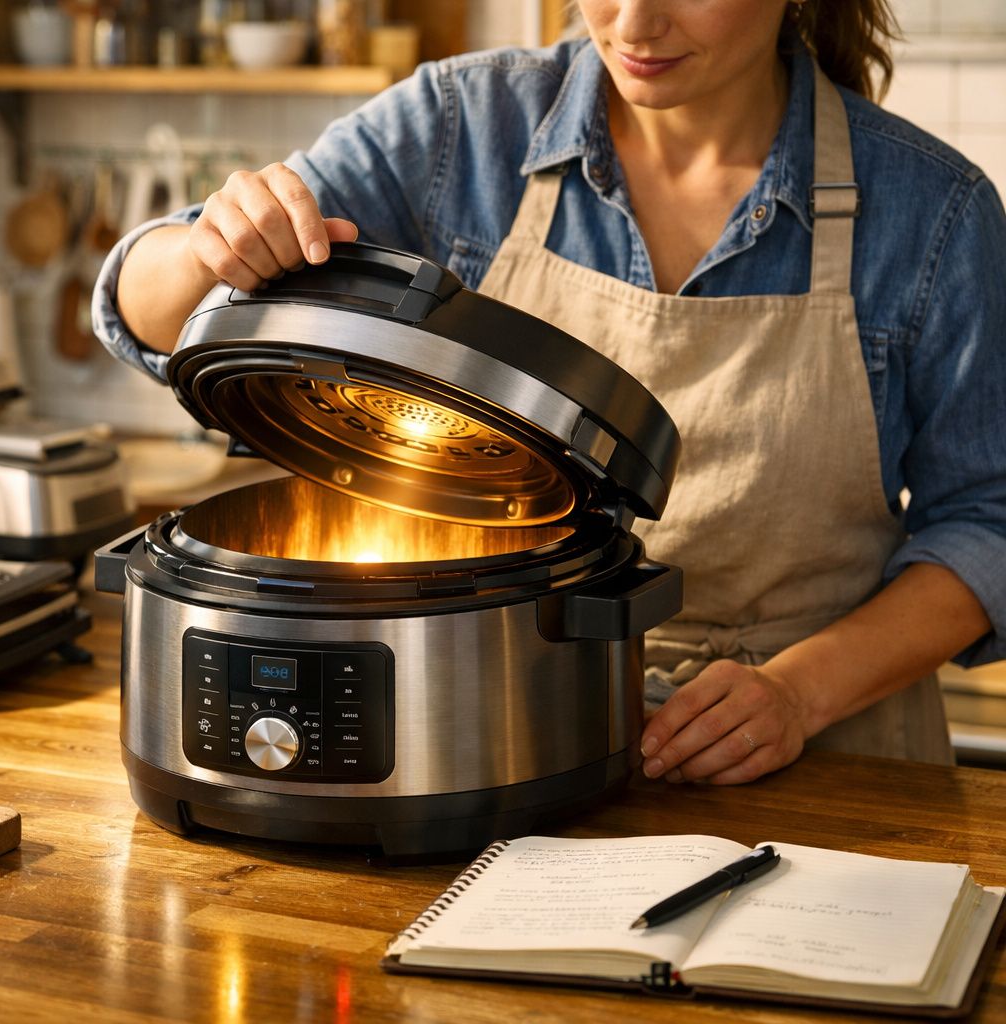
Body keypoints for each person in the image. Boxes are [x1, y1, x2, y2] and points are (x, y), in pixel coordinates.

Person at [92, 0, 1006, 785]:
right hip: (508, 742)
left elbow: (989, 522)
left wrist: (799, 693)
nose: (634, 24)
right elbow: (151, 308)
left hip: (841, 768)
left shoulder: (933, 212)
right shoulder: (461, 127)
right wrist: (212, 248)